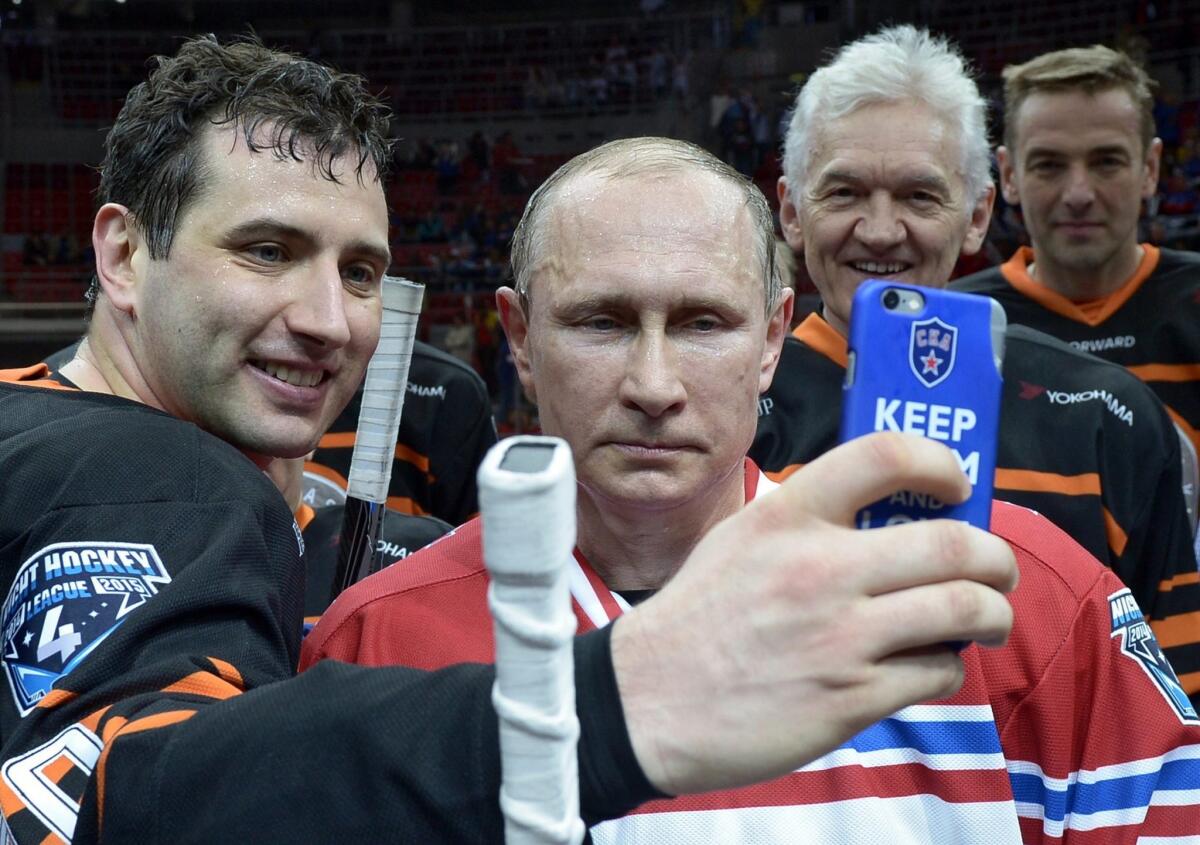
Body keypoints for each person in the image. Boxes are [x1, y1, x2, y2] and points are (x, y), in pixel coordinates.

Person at [0, 35, 1023, 843]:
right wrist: (619, 702)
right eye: (267, 251)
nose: (329, 317)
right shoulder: (155, 471)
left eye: (361, 271)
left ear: (771, 334)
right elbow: (108, 797)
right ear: (124, 253)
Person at [303, 133, 1200, 842]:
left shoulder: (1009, 589)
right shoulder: (376, 640)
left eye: (702, 322)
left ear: (773, 337)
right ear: (521, 337)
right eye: (602, 322)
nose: (653, 384)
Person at [757, 25, 1200, 701]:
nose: (880, 229)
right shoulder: (726, 410)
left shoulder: (1105, 417)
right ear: (791, 210)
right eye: (843, 193)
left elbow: (1173, 709)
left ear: (976, 213)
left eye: (919, 196)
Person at [953, 45, 1200, 491]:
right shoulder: (957, 323)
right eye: (1049, 164)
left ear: (1150, 168)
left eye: (1107, 161)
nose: (1079, 193)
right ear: (1007, 175)